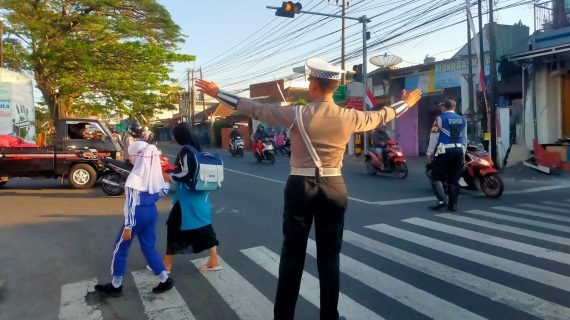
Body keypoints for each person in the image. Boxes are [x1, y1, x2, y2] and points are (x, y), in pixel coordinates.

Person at [196, 57, 422, 320]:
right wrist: (408, 101)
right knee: (329, 257)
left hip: (299, 186)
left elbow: (255, 109)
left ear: (313, 83)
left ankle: (283, 316)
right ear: (333, 86)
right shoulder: (350, 117)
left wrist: (217, 93)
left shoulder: (296, 114)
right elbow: (385, 114)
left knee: (292, 253)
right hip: (334, 186)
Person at [95, 141, 174, 297]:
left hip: (137, 216)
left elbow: (131, 203)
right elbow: (162, 191)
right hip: (151, 212)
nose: (129, 158)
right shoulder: (154, 173)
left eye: (131, 156)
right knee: (149, 247)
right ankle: (165, 279)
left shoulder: (135, 176)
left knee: (120, 248)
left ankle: (116, 285)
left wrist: (129, 226)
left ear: (138, 156)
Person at [161, 122, 221, 272]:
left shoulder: (185, 150)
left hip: (186, 199)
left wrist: (170, 177)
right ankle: (214, 259)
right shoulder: (196, 148)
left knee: (174, 228)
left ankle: (166, 264)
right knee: (204, 225)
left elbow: (186, 173)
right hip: (200, 195)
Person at [426, 98, 467, 212]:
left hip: (444, 150)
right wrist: (463, 153)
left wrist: (429, 153)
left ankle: (441, 201)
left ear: (444, 107)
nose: (441, 108)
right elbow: (464, 139)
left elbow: (434, 136)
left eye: (441, 106)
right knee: (454, 178)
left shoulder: (440, 118)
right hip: (459, 150)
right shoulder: (462, 119)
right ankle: (453, 205)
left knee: (436, 176)